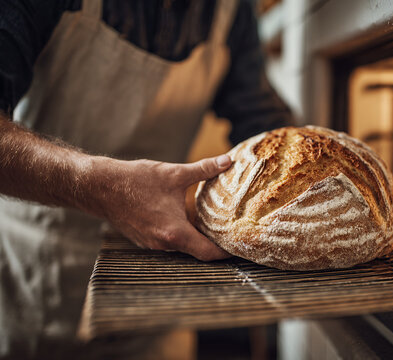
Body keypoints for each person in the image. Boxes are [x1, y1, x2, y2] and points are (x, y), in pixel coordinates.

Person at [0, 0, 293, 358]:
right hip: (34, 281)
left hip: (158, 292)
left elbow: (260, 121)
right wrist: (105, 188)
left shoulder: (232, 10)